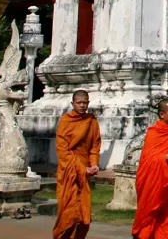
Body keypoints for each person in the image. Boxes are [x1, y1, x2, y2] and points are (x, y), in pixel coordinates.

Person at [132, 97, 168, 239]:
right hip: (154, 185)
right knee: (149, 220)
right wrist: (167, 156)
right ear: (162, 114)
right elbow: (147, 161)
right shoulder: (153, 133)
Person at [54, 90, 101, 239]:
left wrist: (94, 163)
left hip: (84, 174)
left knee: (83, 215)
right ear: (72, 103)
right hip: (68, 172)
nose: (82, 105)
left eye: (85, 102)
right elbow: (63, 151)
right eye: (79, 102)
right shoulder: (65, 121)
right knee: (68, 213)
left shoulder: (91, 121)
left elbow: (95, 145)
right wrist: (82, 168)